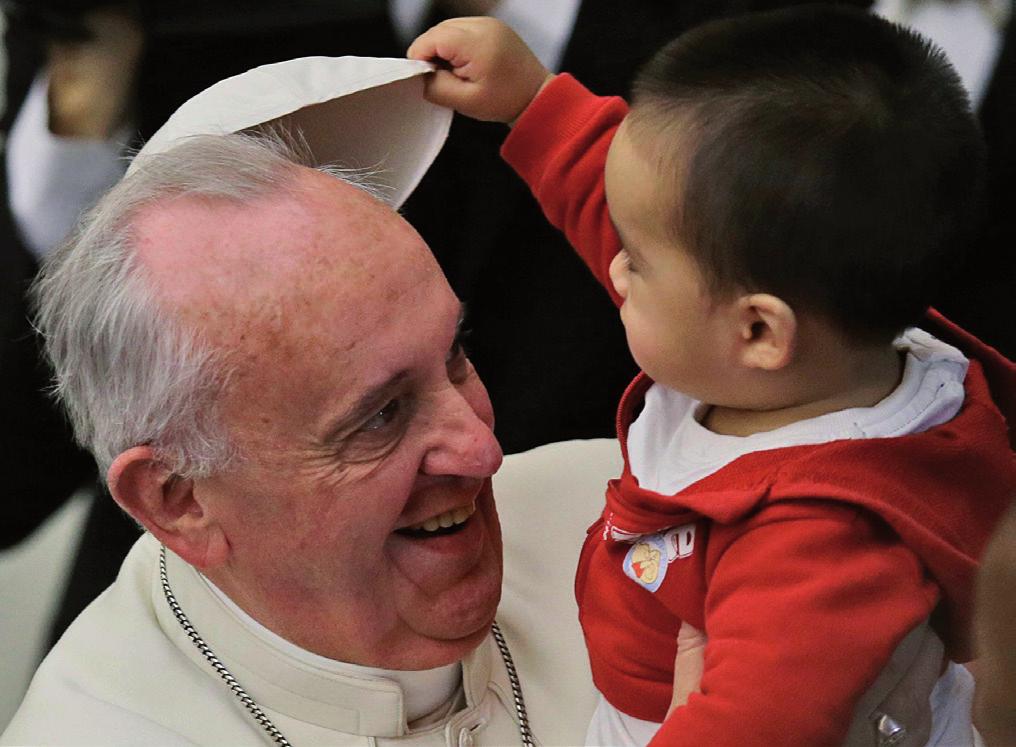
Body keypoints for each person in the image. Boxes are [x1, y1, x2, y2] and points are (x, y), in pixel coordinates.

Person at [408, 8, 1016, 746]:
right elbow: (640, 210)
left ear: (760, 329)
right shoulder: (803, 355)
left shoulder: (820, 540)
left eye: (636, 259)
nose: (615, 264)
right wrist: (532, 102)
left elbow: (756, 724)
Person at [0, 126, 604, 745]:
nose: (482, 449)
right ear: (181, 501)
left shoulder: (624, 518)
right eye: (380, 416)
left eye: (454, 356)